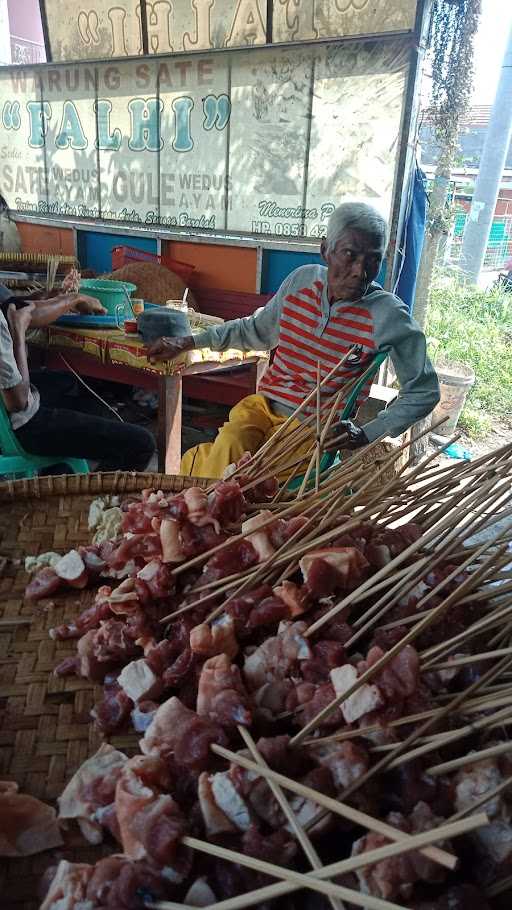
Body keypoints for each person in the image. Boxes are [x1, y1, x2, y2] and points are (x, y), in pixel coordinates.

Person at [147, 202, 440, 479]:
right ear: (325, 250)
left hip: (310, 431)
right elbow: (255, 330)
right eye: (350, 255)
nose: (360, 272)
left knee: (239, 477)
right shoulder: (302, 281)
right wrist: (189, 342)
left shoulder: (388, 315)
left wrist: (367, 432)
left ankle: (199, 504)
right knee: (231, 446)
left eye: (373, 259)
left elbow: (424, 391)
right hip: (262, 408)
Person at [0, 284, 156, 472]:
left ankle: (58, 476)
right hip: (21, 425)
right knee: (141, 444)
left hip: (11, 405)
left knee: (80, 390)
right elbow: (18, 402)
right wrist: (19, 334)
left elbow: (21, 308)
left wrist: (69, 299)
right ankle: (96, 501)